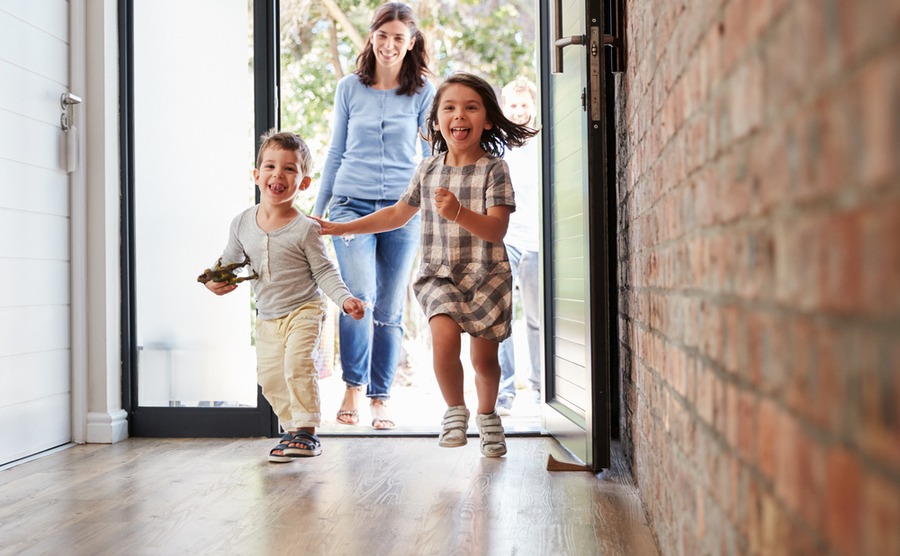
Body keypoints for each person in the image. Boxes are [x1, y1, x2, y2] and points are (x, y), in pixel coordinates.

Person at [314, 72, 538, 457]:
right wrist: (341, 226)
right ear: (435, 121)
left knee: (484, 360)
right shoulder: (428, 169)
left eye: (471, 107)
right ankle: (455, 411)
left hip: (487, 275)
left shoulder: (495, 170)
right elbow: (397, 215)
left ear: (486, 118)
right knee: (444, 341)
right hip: (440, 275)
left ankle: (487, 416)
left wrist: (459, 212)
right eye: (449, 108)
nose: (459, 115)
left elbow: (497, 229)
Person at [204, 130, 366, 463]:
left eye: (290, 169)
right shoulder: (241, 224)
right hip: (267, 315)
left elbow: (324, 272)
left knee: (297, 365)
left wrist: (345, 299)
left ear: (303, 183)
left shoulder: (305, 228)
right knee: (270, 377)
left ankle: (307, 431)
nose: (278, 174)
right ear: (257, 175)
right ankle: (292, 429)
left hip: (304, 309)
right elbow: (229, 262)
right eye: (270, 166)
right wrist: (213, 280)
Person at [312, 2, 435, 430]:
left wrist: (434, 208)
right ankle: (352, 387)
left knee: (389, 306)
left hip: (403, 211)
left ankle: (380, 396)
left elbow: (430, 157)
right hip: (349, 206)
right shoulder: (350, 87)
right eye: (382, 36)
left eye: (398, 38)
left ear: (411, 42)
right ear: (371, 37)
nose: (389, 45)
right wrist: (317, 211)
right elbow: (335, 150)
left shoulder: (423, 93)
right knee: (358, 298)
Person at [496, 77, 542, 415]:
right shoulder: (497, 148)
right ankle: (505, 391)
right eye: (513, 105)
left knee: (537, 319)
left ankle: (542, 388)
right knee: (502, 317)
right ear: (504, 108)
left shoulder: (545, 143)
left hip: (538, 240)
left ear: (534, 107)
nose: (519, 111)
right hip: (505, 238)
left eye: (524, 104)